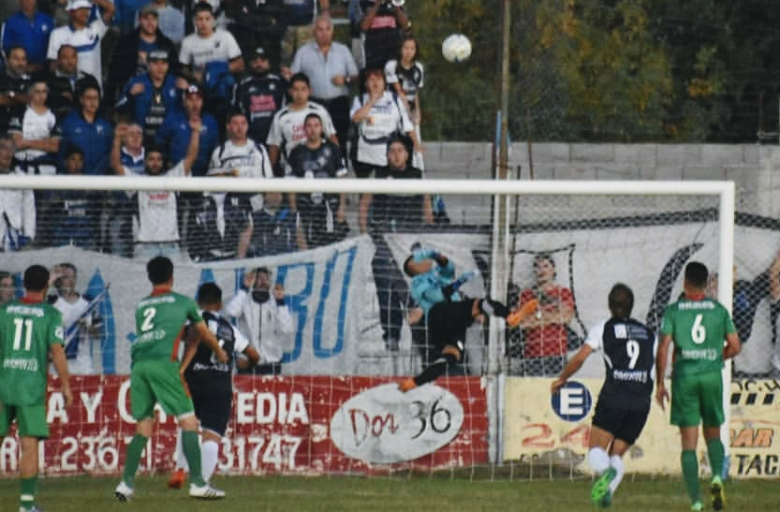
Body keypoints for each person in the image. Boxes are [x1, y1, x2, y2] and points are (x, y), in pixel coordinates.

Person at [115, 256, 228, 501]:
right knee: (189, 422)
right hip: (164, 364)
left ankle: (125, 484)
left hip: (139, 366)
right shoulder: (184, 302)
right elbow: (202, 333)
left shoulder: (142, 305)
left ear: (150, 278)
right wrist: (219, 352)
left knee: (143, 427)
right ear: (172, 276)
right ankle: (198, 483)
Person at [551, 283, 656, 508]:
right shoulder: (648, 333)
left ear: (609, 306)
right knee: (617, 454)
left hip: (615, 396)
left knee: (596, 452)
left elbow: (580, 359)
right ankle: (606, 492)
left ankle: (605, 472)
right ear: (631, 306)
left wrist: (562, 379)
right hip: (641, 400)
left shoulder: (604, 328)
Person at [655, 261, 741, 512]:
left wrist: (660, 384)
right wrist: (715, 357)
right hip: (712, 377)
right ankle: (716, 477)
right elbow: (735, 346)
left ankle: (695, 502)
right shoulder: (718, 310)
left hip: (685, 378)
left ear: (685, 283)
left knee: (688, 444)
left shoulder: (674, 311)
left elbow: (663, 348)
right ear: (706, 284)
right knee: (713, 434)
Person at [398, 248, 536, 391]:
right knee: (479, 304)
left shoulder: (436, 276)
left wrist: (438, 257)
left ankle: (415, 382)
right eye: (418, 260)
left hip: (444, 326)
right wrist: (460, 281)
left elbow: (448, 268)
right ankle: (510, 317)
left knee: (451, 356)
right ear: (414, 268)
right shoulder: (418, 283)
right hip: (440, 313)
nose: (424, 259)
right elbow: (438, 296)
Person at [167, 281, 260, 489]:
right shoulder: (230, 328)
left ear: (198, 301)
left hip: (193, 381)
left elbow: (184, 337)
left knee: (188, 424)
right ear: (219, 305)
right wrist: (244, 363)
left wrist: (179, 368)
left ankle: (180, 469)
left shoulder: (192, 321)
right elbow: (254, 355)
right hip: (219, 384)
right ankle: (201, 484)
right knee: (212, 435)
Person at [0, 264, 72, 512]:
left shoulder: (6, 310)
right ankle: (26, 505)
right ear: (45, 286)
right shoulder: (50, 314)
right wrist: (65, 385)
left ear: (23, 284)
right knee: (29, 444)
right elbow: (57, 351)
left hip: (4, 383)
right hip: (30, 386)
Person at [358, 137, 430, 349]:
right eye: (392, 151)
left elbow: (427, 205)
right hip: (383, 240)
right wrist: (365, 235)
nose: (396, 154)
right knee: (385, 286)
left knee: (414, 287)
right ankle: (391, 334)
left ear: (407, 154)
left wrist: (429, 233)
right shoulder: (378, 175)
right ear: (387, 154)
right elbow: (364, 204)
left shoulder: (418, 176)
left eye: (400, 150)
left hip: (411, 241)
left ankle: (420, 335)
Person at [113, 119, 200, 260]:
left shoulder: (172, 178)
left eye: (159, 159)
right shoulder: (137, 182)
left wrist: (196, 132)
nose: (155, 163)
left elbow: (191, 157)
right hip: (144, 247)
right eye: (151, 159)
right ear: (145, 161)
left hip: (171, 246)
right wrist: (117, 139)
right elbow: (116, 165)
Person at [291, 14, 358, 159]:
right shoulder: (303, 52)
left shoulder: (343, 50)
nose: (324, 33)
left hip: (338, 103)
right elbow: (294, 77)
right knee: (315, 139)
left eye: (327, 29)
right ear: (314, 31)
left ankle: (341, 171)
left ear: (332, 31)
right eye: (320, 30)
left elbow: (355, 76)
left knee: (340, 139)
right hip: (314, 103)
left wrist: (345, 79)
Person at [286, 112, 348, 250]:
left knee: (333, 247)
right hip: (305, 208)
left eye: (316, 125)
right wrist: (293, 211)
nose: (313, 129)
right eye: (309, 125)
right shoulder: (296, 152)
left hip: (330, 206)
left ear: (322, 128)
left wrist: (342, 206)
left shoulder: (333, 149)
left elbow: (342, 179)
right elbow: (290, 184)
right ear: (304, 129)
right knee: (307, 247)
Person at [350, 68, 420, 178]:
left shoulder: (394, 99)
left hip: (388, 151)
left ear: (384, 82)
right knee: (366, 189)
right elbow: (355, 118)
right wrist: (372, 100)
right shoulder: (359, 99)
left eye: (378, 79)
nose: (375, 83)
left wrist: (417, 145)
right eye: (371, 79)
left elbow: (407, 125)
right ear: (366, 83)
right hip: (365, 152)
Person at [515, 253, 576, 377]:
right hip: (532, 353)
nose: (541, 270)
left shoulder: (563, 292)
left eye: (546, 266)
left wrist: (537, 316)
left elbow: (566, 317)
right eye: (538, 267)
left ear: (553, 270)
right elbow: (524, 323)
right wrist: (553, 315)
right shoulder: (526, 295)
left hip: (556, 353)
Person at [224, 267, 293, 375]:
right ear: (253, 281)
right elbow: (231, 311)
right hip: (247, 361)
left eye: (266, 278)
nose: (263, 281)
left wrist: (281, 302)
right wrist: (244, 288)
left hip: (271, 362)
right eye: (259, 278)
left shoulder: (276, 303)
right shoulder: (244, 299)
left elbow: (287, 329)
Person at [106, 4, 178, 107]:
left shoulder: (166, 44)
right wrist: (110, 103)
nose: (150, 23)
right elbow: (114, 75)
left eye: (153, 19)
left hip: (161, 96)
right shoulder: (126, 44)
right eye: (146, 19)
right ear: (139, 20)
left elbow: (175, 72)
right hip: (132, 97)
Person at [266, 72, 337, 173]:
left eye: (303, 89)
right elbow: (274, 146)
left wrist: (338, 162)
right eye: (295, 89)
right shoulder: (280, 116)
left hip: (319, 166)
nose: (299, 94)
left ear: (309, 91)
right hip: (292, 169)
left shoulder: (319, 111)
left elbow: (331, 137)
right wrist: (269, 174)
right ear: (290, 91)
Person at [115, 49, 183, 144]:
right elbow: (118, 106)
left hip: (168, 139)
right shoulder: (135, 82)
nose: (160, 67)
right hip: (140, 139)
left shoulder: (176, 83)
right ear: (148, 65)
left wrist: (185, 91)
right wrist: (130, 94)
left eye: (163, 63)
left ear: (168, 65)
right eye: (155, 63)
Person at [46, 0, 115, 91]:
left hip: (93, 89)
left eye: (87, 9)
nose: (85, 13)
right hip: (66, 89)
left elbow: (111, 8)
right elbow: (52, 66)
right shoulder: (57, 34)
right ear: (71, 12)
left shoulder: (95, 29)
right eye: (80, 9)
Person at [47, 263, 103, 375]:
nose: (71, 281)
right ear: (58, 280)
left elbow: (98, 335)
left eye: (73, 277)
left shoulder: (88, 302)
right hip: (58, 367)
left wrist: (87, 325)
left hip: (84, 367)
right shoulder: (51, 303)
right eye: (66, 277)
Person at [155, 83, 218, 177]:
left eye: (198, 99)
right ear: (184, 102)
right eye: (191, 100)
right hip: (178, 173)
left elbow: (215, 148)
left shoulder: (210, 121)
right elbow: (159, 142)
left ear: (202, 101)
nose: (195, 104)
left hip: (203, 174)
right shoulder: (173, 119)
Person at [231, 47, 287, 145]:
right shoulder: (242, 85)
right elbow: (235, 112)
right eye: (255, 61)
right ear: (250, 63)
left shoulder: (279, 82)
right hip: (251, 137)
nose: (259, 64)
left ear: (269, 63)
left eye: (263, 60)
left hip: (276, 136)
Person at [9, 78, 61, 177]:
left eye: (44, 91)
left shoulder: (54, 115)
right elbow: (17, 143)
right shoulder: (19, 111)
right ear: (30, 92)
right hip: (21, 164)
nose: (41, 95)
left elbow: (55, 147)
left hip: (46, 164)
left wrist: (27, 142)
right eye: (37, 91)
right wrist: (44, 142)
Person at [384, 35, 423, 168]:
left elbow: (415, 92)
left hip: (410, 107)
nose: (408, 52)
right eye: (405, 48)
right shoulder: (392, 66)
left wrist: (417, 111)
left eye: (412, 48)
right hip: (395, 107)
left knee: (415, 142)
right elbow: (399, 92)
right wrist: (409, 113)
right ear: (400, 49)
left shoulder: (418, 68)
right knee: (398, 140)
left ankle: (417, 171)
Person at [59, 81, 113, 175]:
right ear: (81, 100)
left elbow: (109, 155)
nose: (93, 102)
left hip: (100, 180)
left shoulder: (106, 125)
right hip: (75, 178)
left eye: (96, 98)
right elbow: (62, 152)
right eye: (89, 98)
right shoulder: (69, 123)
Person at [0, 136, 36, 252]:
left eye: (11, 148)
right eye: (3, 148)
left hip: (15, 243)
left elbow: (29, 210)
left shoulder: (22, 178)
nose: (8, 152)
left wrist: (29, 237)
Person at [46, 44, 99, 122]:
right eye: (65, 58)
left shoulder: (89, 80)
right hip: (59, 122)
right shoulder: (50, 80)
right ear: (58, 60)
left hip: (87, 122)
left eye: (73, 57)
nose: (70, 61)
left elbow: (98, 103)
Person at [1, 0, 55, 73]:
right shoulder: (11, 22)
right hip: (20, 68)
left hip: (45, 68)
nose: (29, 2)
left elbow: (53, 44)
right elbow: (6, 47)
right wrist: (21, 63)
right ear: (20, 1)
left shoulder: (47, 20)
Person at [357, 0, 410, 72]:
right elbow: (364, 26)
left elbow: (405, 26)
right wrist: (378, 3)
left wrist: (396, 6)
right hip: (374, 52)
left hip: (393, 51)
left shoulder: (395, 3)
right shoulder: (363, 3)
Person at [281, 0, 329, 64]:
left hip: (306, 26)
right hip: (284, 27)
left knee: (306, 60)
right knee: (284, 60)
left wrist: (325, 13)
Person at [0, 45, 32, 133]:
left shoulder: (32, 80)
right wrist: (21, 97)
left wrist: (11, 95)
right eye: (16, 59)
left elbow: (33, 99)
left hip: (27, 129)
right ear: (6, 61)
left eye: (23, 59)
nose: (20, 63)